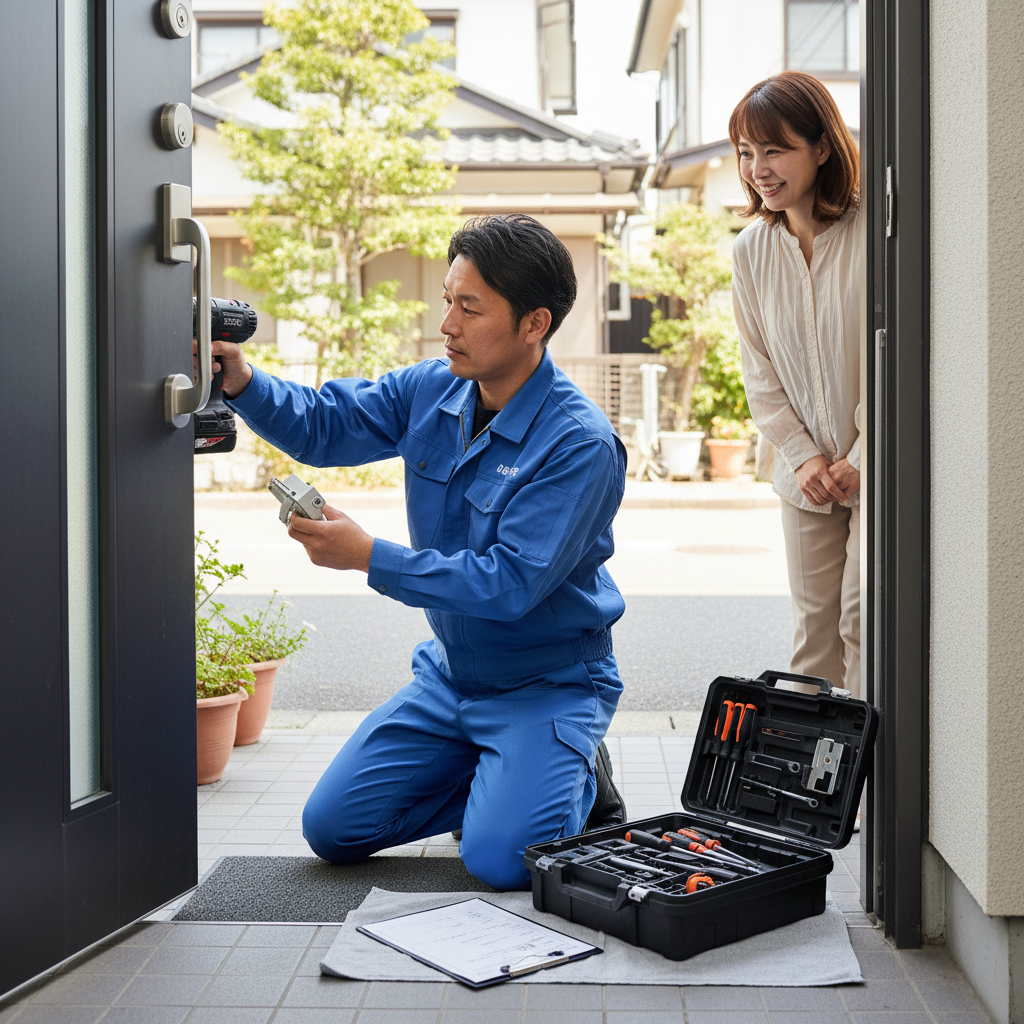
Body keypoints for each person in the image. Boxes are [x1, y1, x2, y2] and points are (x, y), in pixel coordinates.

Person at [212, 214, 627, 890]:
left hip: (545, 685)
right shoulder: (433, 388)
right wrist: (242, 381)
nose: (447, 324)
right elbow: (326, 425)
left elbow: (509, 585)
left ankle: (574, 780)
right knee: (333, 830)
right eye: (447, 300)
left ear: (534, 324)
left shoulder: (578, 443)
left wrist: (368, 555)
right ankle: (508, 782)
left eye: (470, 307)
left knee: (498, 862)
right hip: (450, 680)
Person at [728, 72, 862, 698]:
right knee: (815, 635)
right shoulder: (752, 249)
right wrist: (803, 454)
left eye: (775, 149)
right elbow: (760, 367)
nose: (759, 168)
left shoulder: (873, 236)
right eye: (747, 153)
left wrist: (861, 457)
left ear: (823, 148)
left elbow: (897, 359)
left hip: (875, 468)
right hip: (803, 474)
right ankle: (819, 792)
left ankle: (874, 795)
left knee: (863, 620)